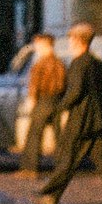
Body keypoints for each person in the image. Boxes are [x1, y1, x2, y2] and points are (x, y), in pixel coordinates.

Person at [36, 23, 102, 204]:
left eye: (70, 39)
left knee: (67, 160)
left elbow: (75, 91)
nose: (69, 42)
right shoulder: (96, 63)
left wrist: (61, 107)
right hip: (98, 120)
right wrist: (98, 108)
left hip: (79, 121)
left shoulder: (78, 64)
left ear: (77, 40)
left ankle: (50, 195)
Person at [17, 32, 65, 176]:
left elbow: (34, 86)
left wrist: (32, 101)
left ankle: (30, 168)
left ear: (44, 44)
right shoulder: (59, 63)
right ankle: (62, 167)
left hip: (43, 101)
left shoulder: (40, 63)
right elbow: (64, 84)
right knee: (59, 136)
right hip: (57, 101)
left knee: (34, 134)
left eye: (37, 44)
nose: (36, 47)